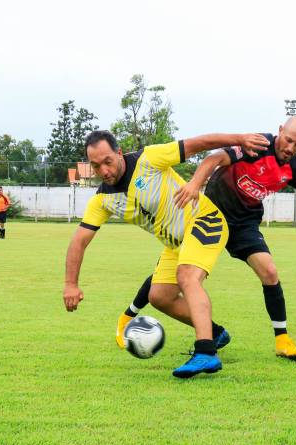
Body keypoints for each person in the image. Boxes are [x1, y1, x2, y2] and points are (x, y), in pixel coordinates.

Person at [116, 116, 296, 361]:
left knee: (269, 272)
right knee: (175, 273)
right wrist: (195, 183)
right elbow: (214, 158)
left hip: (244, 224)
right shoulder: (256, 145)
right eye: (288, 140)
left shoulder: (294, 166)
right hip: (209, 216)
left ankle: (282, 341)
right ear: (280, 130)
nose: (290, 148)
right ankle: (128, 316)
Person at [65, 129, 270, 378]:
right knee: (159, 296)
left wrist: (240, 139)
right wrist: (70, 284)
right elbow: (79, 241)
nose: (104, 170)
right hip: (176, 244)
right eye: (96, 166)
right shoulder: (102, 201)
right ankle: (216, 334)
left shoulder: (149, 159)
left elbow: (199, 143)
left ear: (119, 153)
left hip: (205, 220)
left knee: (187, 278)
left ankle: (206, 352)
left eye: (108, 161)